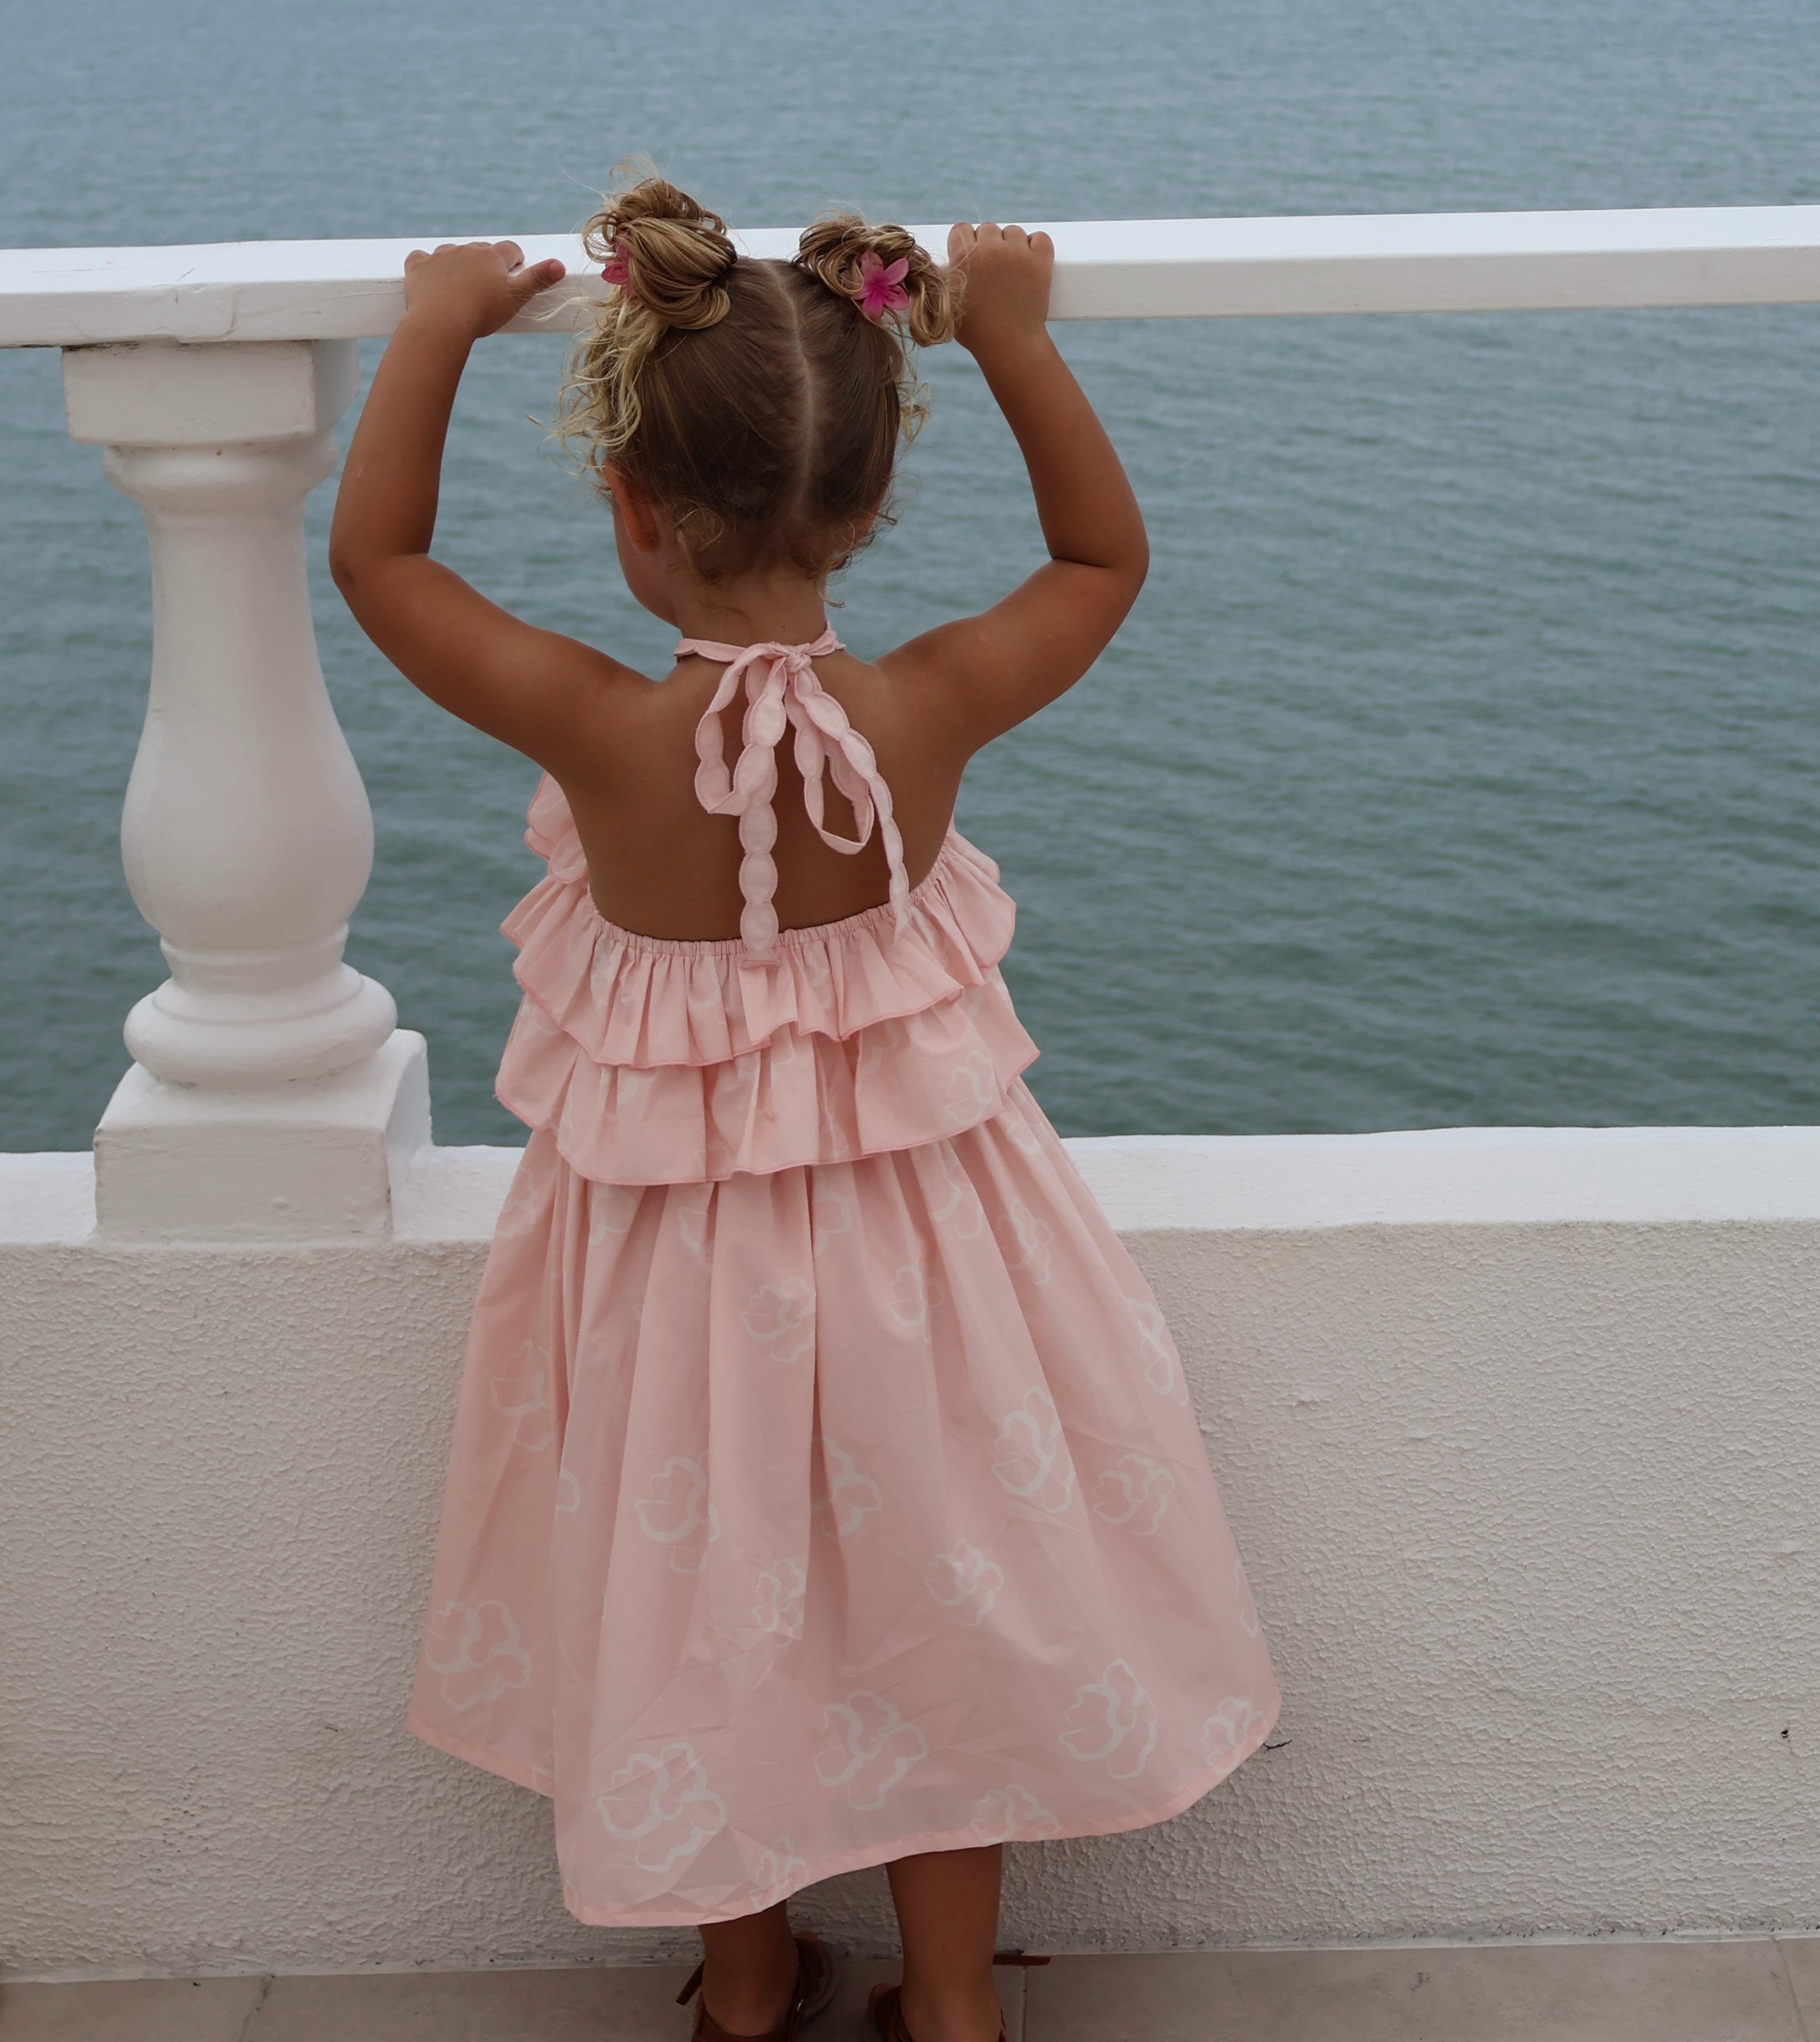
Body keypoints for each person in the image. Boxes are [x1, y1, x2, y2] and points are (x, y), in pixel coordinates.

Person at [331, 173, 1279, 2042]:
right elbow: (1100, 562)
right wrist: (1014, 336)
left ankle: (750, 1991)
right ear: (869, 503)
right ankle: (955, 2011)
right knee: (943, 1599)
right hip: (929, 1274)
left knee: (711, 1609)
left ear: (632, 505)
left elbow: (383, 567)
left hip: (675, 1283)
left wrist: (431, 331)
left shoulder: (604, 729)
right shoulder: (927, 708)